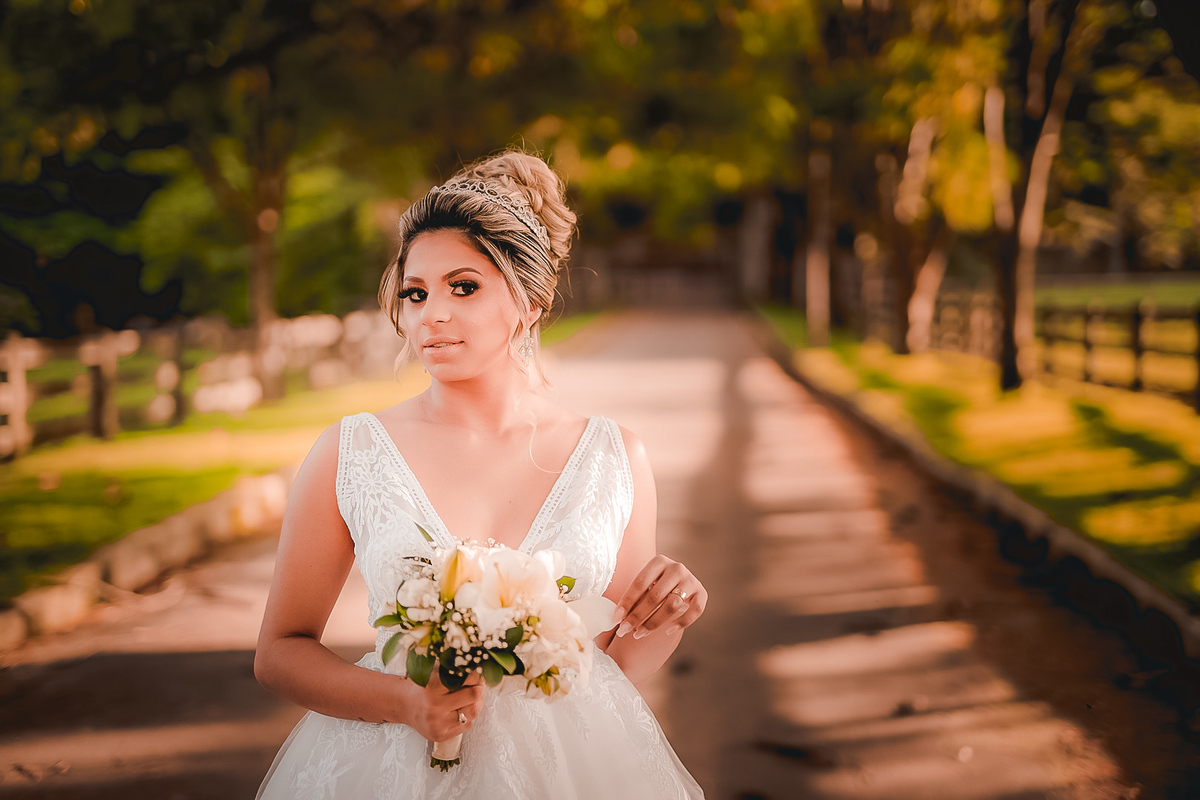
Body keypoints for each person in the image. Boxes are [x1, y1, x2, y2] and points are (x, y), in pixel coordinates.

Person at [253, 150, 708, 799]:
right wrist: (408, 703)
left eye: (462, 287)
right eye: (416, 293)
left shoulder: (613, 458)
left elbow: (610, 665)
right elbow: (279, 652)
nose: (430, 314)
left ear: (531, 302)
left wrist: (671, 612)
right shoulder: (350, 452)